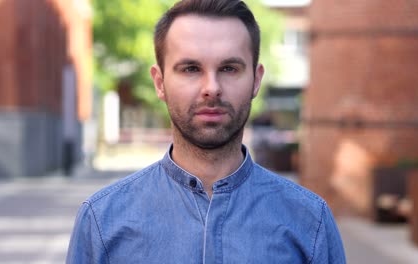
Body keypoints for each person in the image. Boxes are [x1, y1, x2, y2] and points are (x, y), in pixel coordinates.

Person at [67, 0, 346, 263]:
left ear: (256, 80)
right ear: (160, 82)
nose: (211, 87)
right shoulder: (102, 221)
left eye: (229, 68)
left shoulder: (309, 222)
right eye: (190, 68)